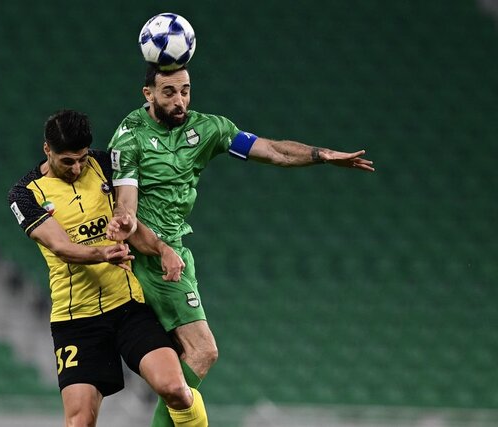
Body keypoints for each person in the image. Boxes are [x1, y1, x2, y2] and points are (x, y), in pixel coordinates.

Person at [106, 64, 375, 426]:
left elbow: (273, 150)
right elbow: (126, 209)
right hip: (152, 255)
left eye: (185, 90)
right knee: (202, 351)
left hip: (177, 251)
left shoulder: (209, 129)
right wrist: (135, 230)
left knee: (187, 364)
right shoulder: (130, 134)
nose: (180, 100)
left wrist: (322, 155)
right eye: (169, 92)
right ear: (148, 94)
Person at [7, 109, 208, 427]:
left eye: (81, 159)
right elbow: (61, 247)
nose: (76, 168)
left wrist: (162, 248)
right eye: (67, 161)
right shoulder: (25, 193)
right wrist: (103, 253)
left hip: (128, 307)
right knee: (80, 422)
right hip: (76, 318)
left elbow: (130, 223)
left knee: (177, 390)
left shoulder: (104, 166)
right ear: (47, 149)